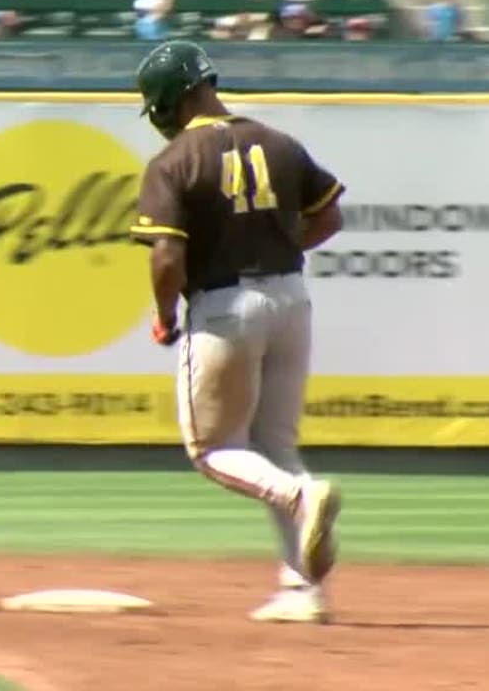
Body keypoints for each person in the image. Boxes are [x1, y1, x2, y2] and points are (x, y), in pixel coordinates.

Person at [129, 41, 346, 625]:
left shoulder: (174, 161)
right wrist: (279, 250)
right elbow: (329, 215)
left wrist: (165, 314)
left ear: (168, 102)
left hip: (226, 306)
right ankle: (303, 591)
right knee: (275, 445)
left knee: (212, 451)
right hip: (292, 299)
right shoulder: (278, 142)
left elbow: (166, 256)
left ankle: (301, 497)